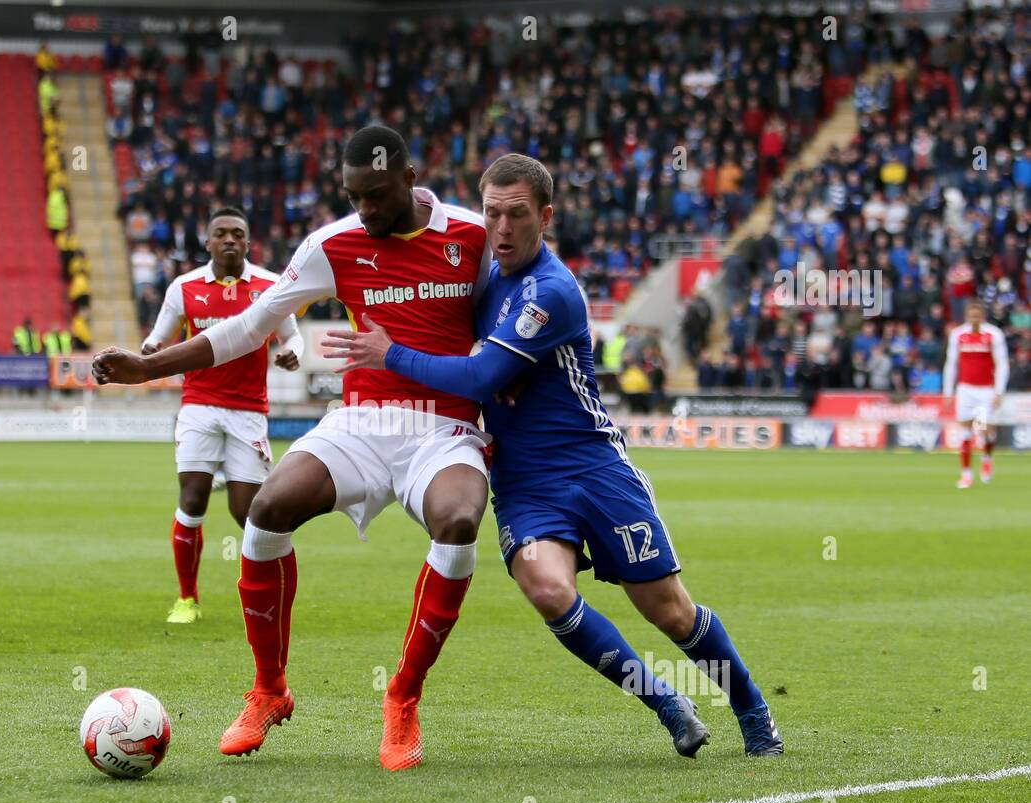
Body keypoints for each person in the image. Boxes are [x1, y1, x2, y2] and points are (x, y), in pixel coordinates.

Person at [323, 153, 782, 757]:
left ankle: (752, 709)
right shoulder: (482, 281)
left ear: (545, 217)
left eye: (516, 214)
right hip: (524, 482)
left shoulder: (552, 290)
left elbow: (481, 373)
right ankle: (667, 703)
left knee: (669, 611)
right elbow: (468, 351)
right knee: (547, 589)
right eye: (491, 213)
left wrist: (393, 355)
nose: (502, 228)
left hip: (594, 468)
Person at [92, 126, 493, 771]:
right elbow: (248, 327)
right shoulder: (332, 245)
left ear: (411, 179)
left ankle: (402, 697)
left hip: (445, 426)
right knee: (265, 511)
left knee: (459, 522)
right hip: (361, 421)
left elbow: (523, 320)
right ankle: (269, 689)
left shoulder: (473, 236)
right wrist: (149, 367)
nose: (366, 208)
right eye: (354, 196)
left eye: (378, 194)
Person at [141, 207, 303, 625]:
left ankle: (264, 591)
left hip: (248, 410)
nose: (229, 239)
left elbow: (292, 336)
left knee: (246, 512)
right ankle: (187, 599)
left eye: (237, 233)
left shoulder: (271, 286)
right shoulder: (184, 287)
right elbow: (158, 337)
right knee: (192, 498)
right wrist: (150, 350)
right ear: (208, 241)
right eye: (221, 233)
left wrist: (291, 353)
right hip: (198, 404)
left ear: (248, 242)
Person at [943, 301, 1008, 488]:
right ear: (966, 316)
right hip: (966, 389)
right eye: (971, 316)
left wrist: (999, 391)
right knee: (965, 430)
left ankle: (987, 458)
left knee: (984, 430)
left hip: (985, 390)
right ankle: (966, 475)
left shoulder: (993, 334)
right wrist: (948, 392)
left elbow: (1002, 363)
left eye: (977, 316)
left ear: (982, 316)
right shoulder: (958, 335)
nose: (974, 319)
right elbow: (951, 363)